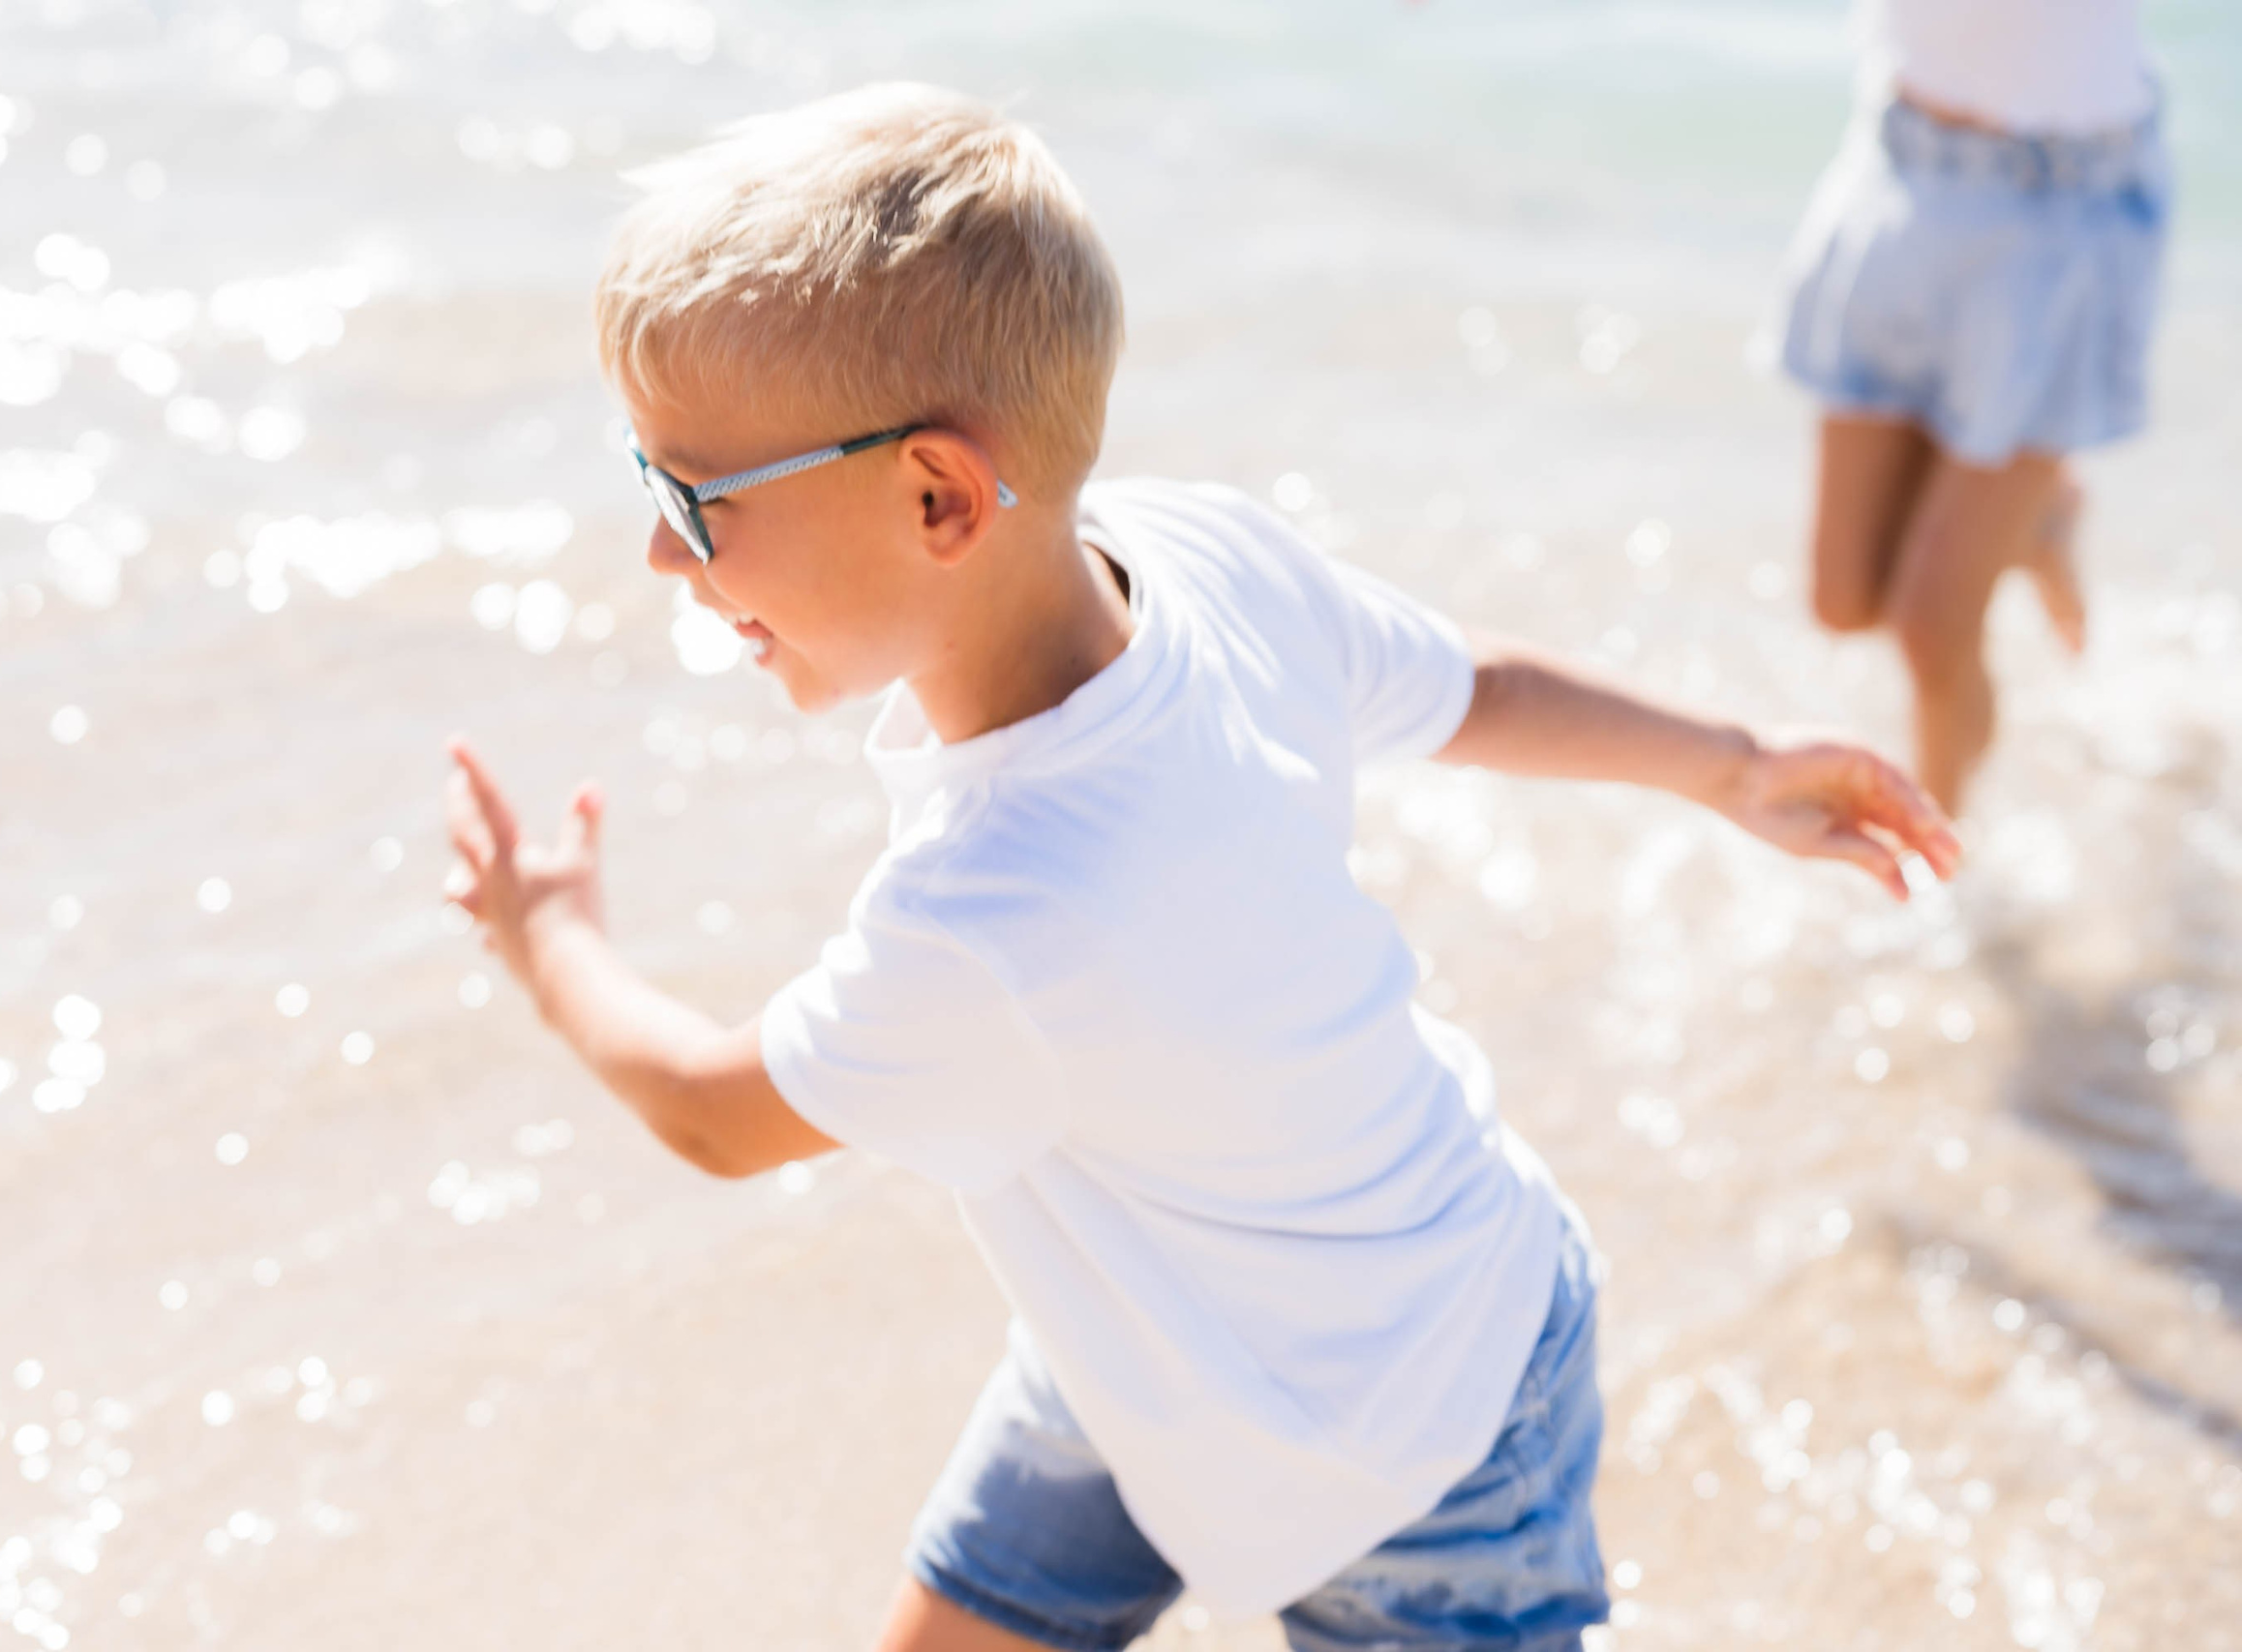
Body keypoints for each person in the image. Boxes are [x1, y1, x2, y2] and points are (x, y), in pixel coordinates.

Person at [442, 84, 1960, 1652]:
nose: (658, 556)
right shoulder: (1199, 556)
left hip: (1420, 1435)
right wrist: (1730, 762)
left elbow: (708, 1110)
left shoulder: (1002, 903)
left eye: (692, 501)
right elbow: (1472, 689)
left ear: (937, 498)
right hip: (1158, 1316)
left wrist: (551, 939)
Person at [1770, 0, 2171, 812]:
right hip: (1903, 172)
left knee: (1930, 626)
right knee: (1844, 599)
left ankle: (1936, 868)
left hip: (2062, 203)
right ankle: (2037, 513)